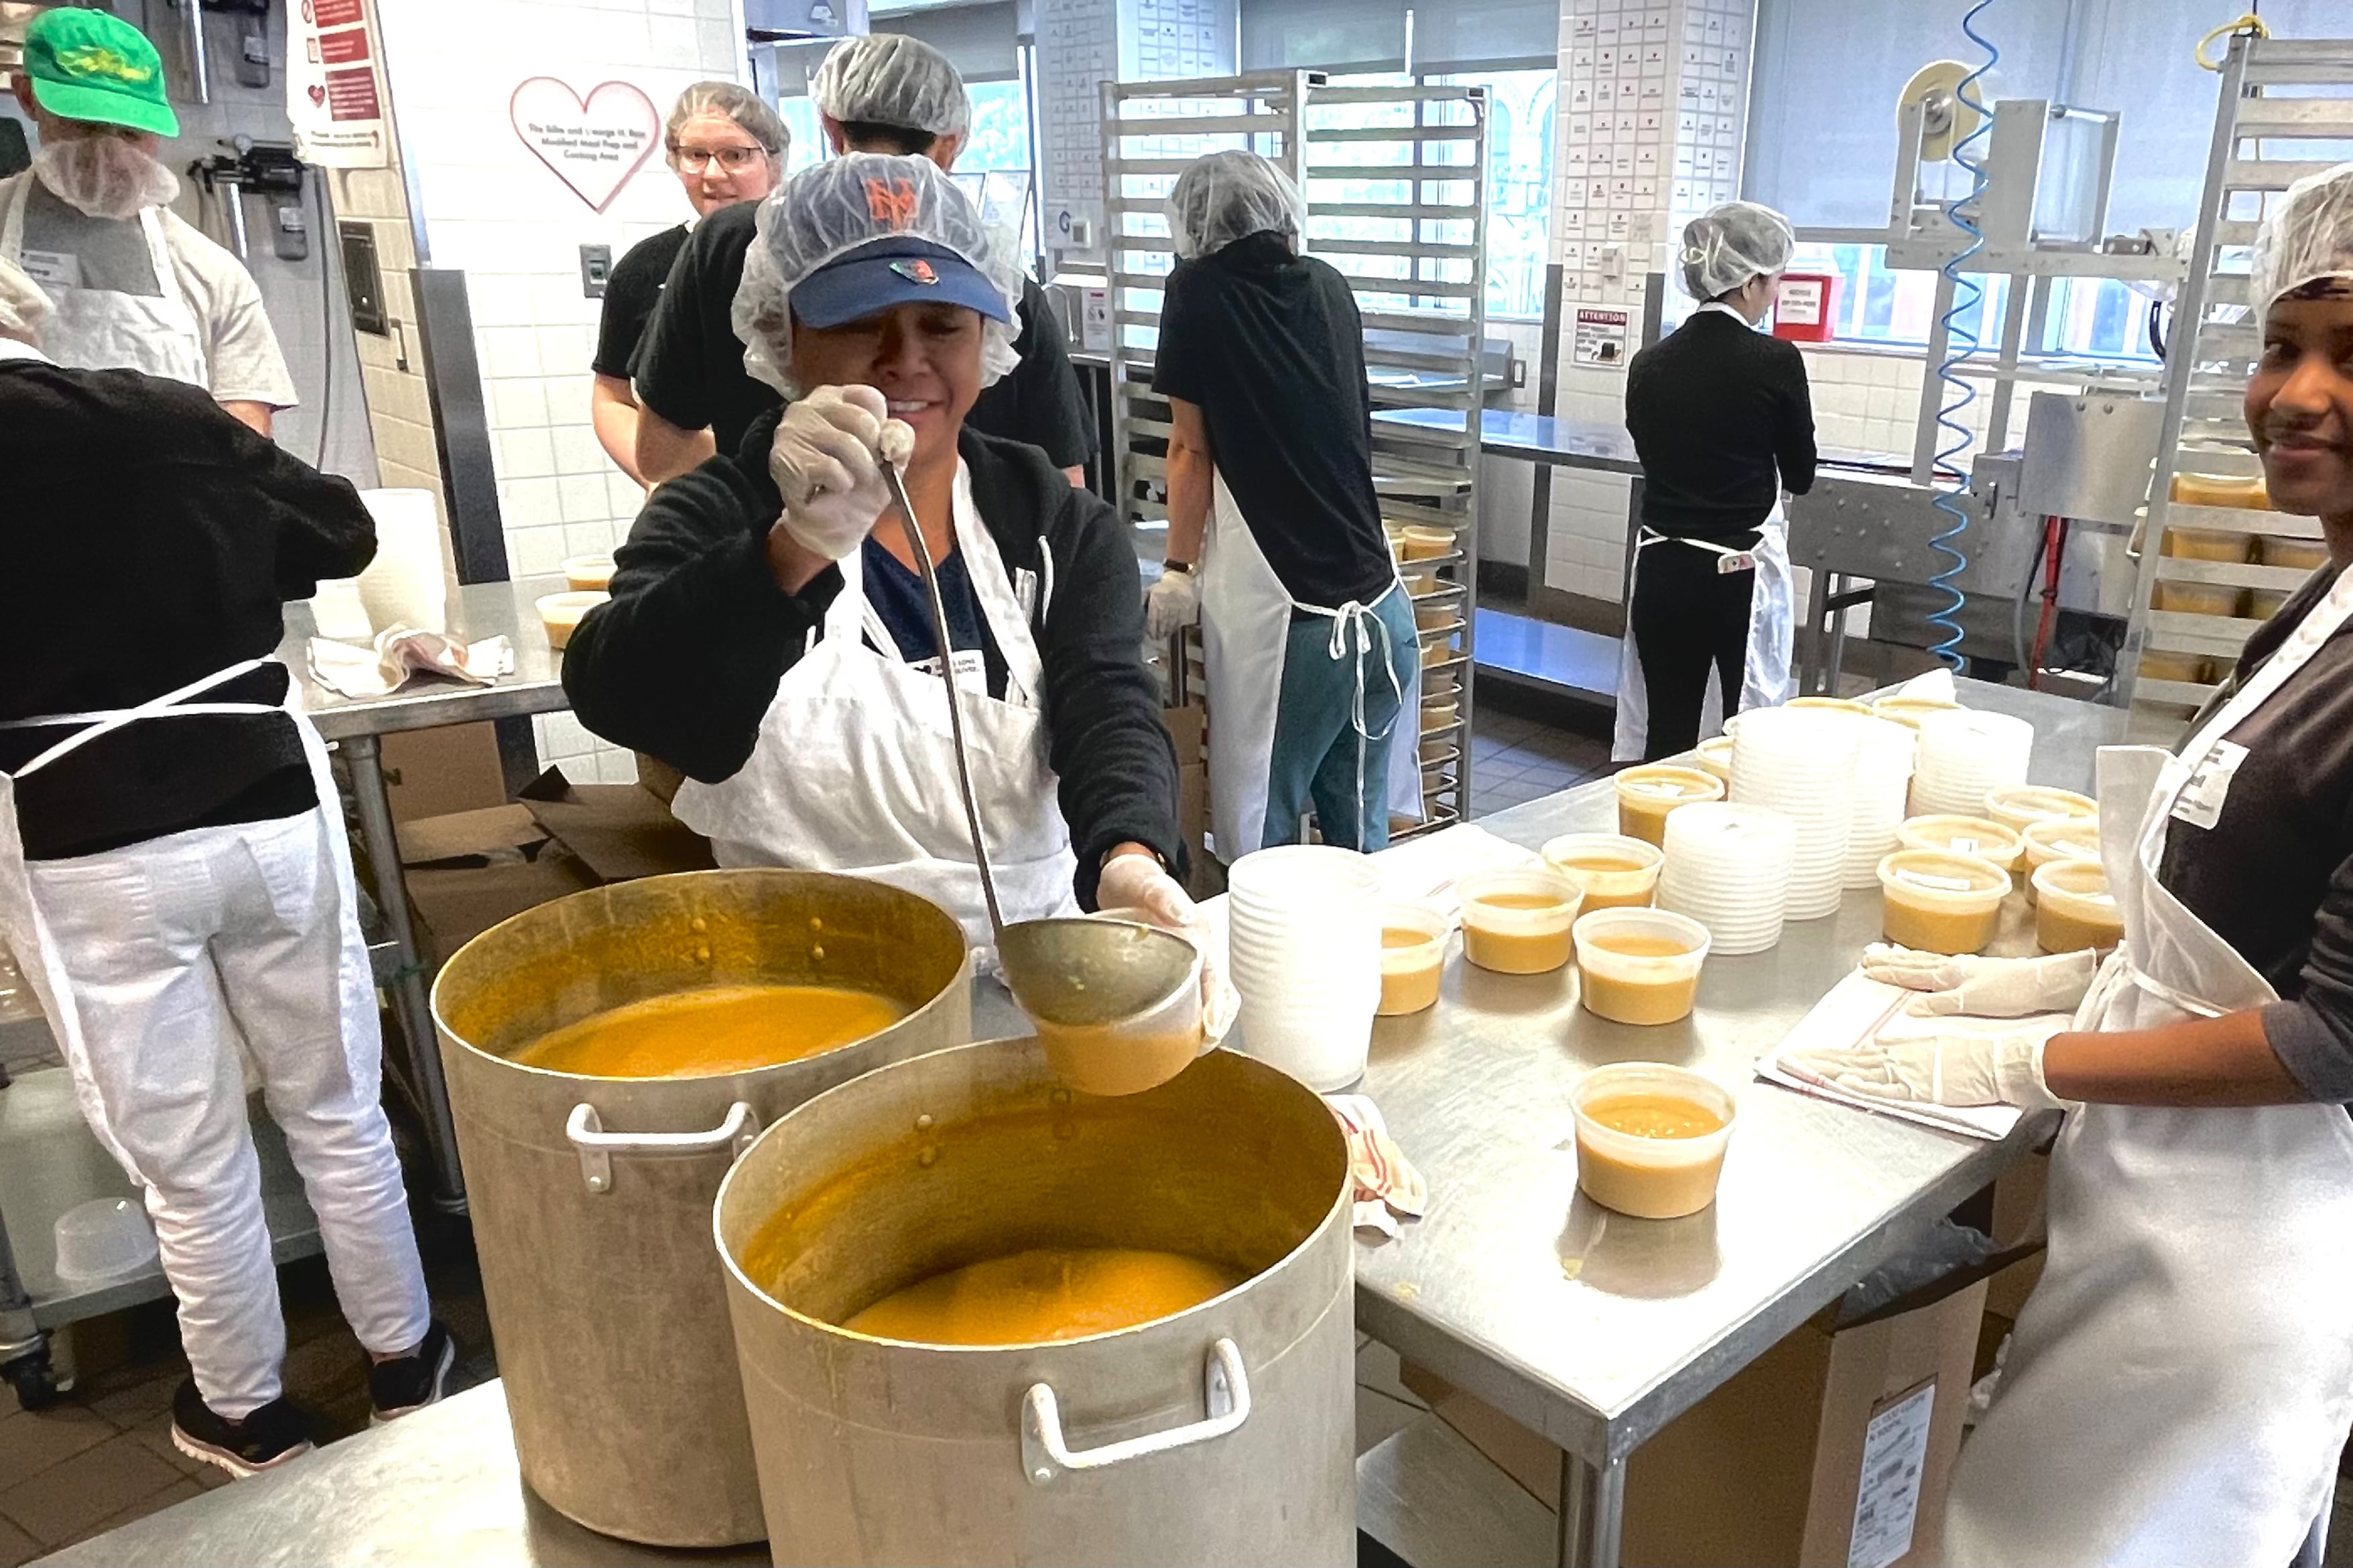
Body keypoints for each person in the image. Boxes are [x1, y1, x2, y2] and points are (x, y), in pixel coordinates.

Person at [1788, 161, 2353, 1565]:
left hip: (2242, 1259)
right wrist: (2056, 981)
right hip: (2155, 1222)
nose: (2296, 394)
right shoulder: (2322, 603)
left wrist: (2025, 1068)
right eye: (2282, 346)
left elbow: (2335, 1037)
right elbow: (2234, 918)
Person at [0, 259, 450, 1477]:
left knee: (190, 1160)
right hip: (264, 805)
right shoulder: (162, 412)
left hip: (83, 839)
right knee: (339, 1103)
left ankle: (247, 1411)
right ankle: (409, 1363)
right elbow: (341, 530)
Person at [566, 155, 1198, 959]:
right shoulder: (719, 510)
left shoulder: (1052, 525)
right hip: (808, 976)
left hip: (1035, 965)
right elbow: (619, 695)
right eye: (860, 321)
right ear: (783, 336)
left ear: (991, 339)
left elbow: (1108, 705)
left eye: (942, 324)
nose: (905, 359)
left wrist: (1127, 856)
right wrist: (791, 551)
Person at [629, 34, 1096, 488]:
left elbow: (661, 452)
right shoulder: (989, 268)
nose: (903, 362)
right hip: (956, 558)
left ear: (830, 127)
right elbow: (1062, 483)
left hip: (771, 556)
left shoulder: (730, 244)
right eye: (852, 326)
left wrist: (760, 492)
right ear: (951, 144)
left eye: (938, 325)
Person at [1143, 151, 1417, 856]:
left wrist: (1177, 568)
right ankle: (1374, 966)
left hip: (1293, 634)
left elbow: (1190, 450)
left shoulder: (1196, 291)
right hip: (1383, 614)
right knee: (1360, 841)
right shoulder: (1328, 284)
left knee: (1262, 848)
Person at [1, 8, 294, 435]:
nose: (108, 155)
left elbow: (247, 427)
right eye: (86, 126)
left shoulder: (212, 273)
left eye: (130, 134)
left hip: (166, 500)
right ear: (28, 98)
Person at [1614, 200, 1814, 762]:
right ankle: (1729, 843)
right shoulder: (1773, 360)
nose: (1775, 293)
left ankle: (1653, 837)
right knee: (1747, 739)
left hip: (1661, 569)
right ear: (1750, 282)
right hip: (1735, 575)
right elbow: (1800, 472)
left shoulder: (1649, 362)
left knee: (1666, 735)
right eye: (1774, 280)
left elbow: (1652, 450)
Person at [589, 82, 786, 486]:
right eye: (696, 155)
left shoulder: (808, 256)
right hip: (698, 503)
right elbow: (611, 394)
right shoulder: (644, 267)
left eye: (735, 155)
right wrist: (661, 478)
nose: (713, 175)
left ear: (775, 163)